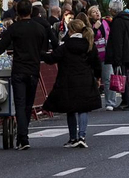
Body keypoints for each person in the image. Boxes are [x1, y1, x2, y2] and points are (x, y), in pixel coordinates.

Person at [0, 3, 58, 150]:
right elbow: (45, 48)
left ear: (17, 12)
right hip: (33, 69)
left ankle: (23, 138)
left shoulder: (14, 28)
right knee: (28, 105)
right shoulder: (39, 28)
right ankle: (23, 135)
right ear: (31, 11)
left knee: (19, 103)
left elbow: (1, 48)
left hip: (18, 69)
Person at [43, 16, 101, 148]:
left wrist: (39, 53)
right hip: (85, 78)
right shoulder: (89, 44)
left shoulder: (66, 46)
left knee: (70, 109)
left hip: (68, 80)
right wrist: (98, 77)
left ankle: (73, 137)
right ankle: (82, 135)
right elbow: (96, 63)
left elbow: (52, 58)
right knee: (83, 108)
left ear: (71, 31)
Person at [104, 2, 129, 112]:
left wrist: (117, 59)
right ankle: (125, 101)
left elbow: (117, 41)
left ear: (113, 11)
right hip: (128, 52)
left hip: (121, 54)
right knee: (124, 78)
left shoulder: (118, 21)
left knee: (122, 77)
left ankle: (125, 101)